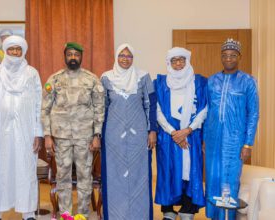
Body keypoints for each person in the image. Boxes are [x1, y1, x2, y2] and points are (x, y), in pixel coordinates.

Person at [41, 42, 105, 217]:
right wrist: (47, 135)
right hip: (61, 137)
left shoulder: (92, 79)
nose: (73, 58)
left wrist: (97, 135)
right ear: (65, 56)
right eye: (70, 54)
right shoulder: (54, 79)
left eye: (76, 55)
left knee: (85, 177)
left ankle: (82, 214)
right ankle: (66, 214)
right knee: (63, 177)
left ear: (81, 57)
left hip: (85, 137)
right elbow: (45, 109)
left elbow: (99, 109)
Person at [0, 35, 43, 220]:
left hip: (26, 131)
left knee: (25, 169)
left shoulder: (32, 73)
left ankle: (28, 213)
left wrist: (38, 133)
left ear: (23, 51)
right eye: (12, 49)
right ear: (5, 51)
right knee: (0, 168)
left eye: (19, 49)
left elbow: (38, 105)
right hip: (1, 131)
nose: (15, 52)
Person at [100, 43, 157, 220]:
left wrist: (152, 130)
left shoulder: (143, 76)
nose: (125, 59)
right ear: (116, 57)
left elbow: (151, 105)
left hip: (139, 135)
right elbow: (102, 107)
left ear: (133, 58)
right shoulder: (106, 78)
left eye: (129, 56)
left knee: (139, 176)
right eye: (122, 56)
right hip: (112, 136)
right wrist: (98, 135)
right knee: (114, 175)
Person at [205, 39, 259, 220]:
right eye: (225, 55)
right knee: (213, 177)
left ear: (239, 57)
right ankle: (214, 216)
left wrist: (248, 144)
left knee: (229, 177)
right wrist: (205, 138)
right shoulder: (212, 81)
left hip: (235, 140)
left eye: (233, 55)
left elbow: (253, 114)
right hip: (213, 139)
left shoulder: (248, 81)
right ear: (221, 57)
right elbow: (206, 111)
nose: (229, 58)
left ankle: (227, 217)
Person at [154, 47, 207, 220]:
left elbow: (204, 109)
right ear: (169, 63)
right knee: (168, 170)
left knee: (190, 170)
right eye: (174, 60)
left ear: (187, 61)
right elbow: (157, 110)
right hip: (168, 136)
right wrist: (174, 132)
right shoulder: (160, 82)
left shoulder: (199, 82)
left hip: (191, 134)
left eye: (181, 59)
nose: (178, 63)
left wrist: (187, 130)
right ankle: (168, 210)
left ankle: (188, 209)